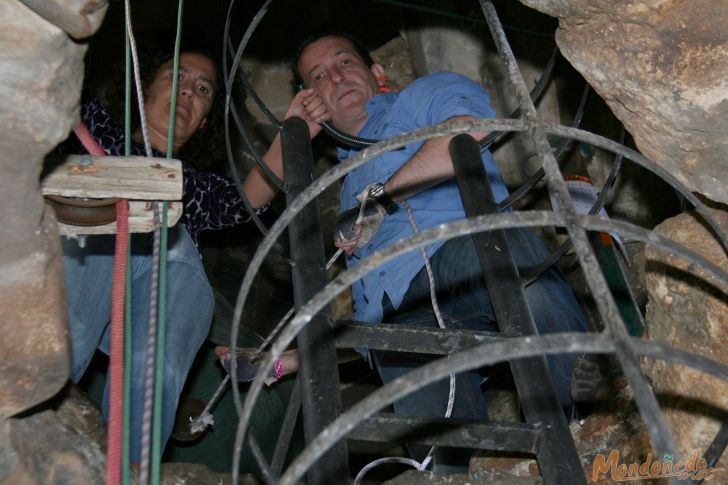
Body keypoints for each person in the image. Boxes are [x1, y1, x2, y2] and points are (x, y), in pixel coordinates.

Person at [278, 31, 591, 471]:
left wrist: (383, 199)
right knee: (442, 464)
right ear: (316, 101)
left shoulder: (422, 96)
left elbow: (468, 129)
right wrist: (290, 360)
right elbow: (366, 316)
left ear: (377, 73)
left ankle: (583, 401)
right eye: (318, 76)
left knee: (510, 261)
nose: (335, 77)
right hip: (397, 320)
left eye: (345, 62)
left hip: (458, 254)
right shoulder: (344, 184)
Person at [61, 50, 288, 462]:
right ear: (146, 86)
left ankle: (130, 465)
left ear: (203, 122)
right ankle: (35, 426)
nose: (188, 91)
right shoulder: (95, 127)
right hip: (94, 248)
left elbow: (248, 199)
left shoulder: (196, 187)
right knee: (68, 332)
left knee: (153, 371)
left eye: (202, 89)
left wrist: (298, 129)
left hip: (166, 269)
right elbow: (53, 82)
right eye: (176, 76)